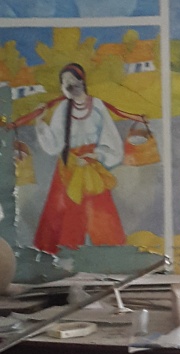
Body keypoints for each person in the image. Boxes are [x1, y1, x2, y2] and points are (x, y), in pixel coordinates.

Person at [33, 63, 126, 254]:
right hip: (68, 169)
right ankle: (64, 256)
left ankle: (110, 256)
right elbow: (54, 145)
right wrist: (40, 123)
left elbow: (112, 143)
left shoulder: (97, 106)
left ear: (81, 81)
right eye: (64, 82)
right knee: (65, 214)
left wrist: (96, 155)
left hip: (91, 168)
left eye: (71, 80)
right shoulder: (62, 109)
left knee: (100, 213)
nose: (67, 85)